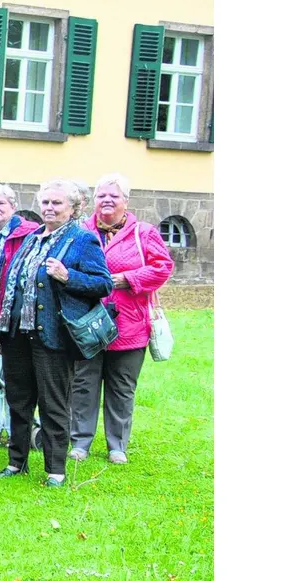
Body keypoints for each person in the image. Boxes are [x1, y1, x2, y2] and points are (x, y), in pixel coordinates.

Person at [0, 179, 113, 487]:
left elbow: (103, 284)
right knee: (18, 400)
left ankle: (55, 470)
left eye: (57, 203)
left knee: (53, 404)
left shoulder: (82, 240)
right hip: (17, 333)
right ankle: (16, 462)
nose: (49, 208)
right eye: (45, 202)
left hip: (53, 335)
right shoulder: (32, 237)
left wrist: (67, 276)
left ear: (75, 208)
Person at [70, 174, 175, 465]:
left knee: (122, 387)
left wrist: (127, 279)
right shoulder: (80, 230)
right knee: (83, 385)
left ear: (126, 201)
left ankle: (117, 445)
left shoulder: (143, 232)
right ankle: (80, 443)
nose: (106, 201)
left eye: (113, 196)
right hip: (86, 322)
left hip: (128, 324)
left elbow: (163, 267)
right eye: (101, 196)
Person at [0, 184, 39, 444]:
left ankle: (17, 428)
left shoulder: (27, 234)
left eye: (1, 203)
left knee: (14, 375)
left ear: (13, 207)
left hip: (12, 314)